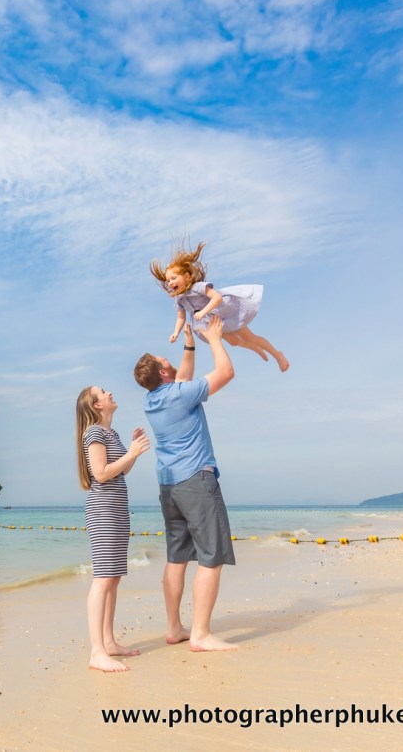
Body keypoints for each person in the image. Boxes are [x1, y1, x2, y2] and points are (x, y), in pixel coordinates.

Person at [133, 317, 237, 652]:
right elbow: (225, 373)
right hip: (196, 480)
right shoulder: (180, 394)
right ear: (164, 373)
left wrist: (190, 344)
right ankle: (201, 634)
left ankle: (175, 627)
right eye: (167, 361)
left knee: (177, 557)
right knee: (212, 555)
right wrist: (216, 339)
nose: (172, 361)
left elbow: (183, 378)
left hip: (169, 486)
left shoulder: (154, 399)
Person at [75, 385, 151, 672]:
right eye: (104, 392)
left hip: (118, 509)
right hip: (103, 509)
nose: (110, 393)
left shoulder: (111, 434)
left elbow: (122, 469)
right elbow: (102, 473)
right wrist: (130, 453)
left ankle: (108, 642)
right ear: (96, 405)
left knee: (115, 577)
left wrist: (133, 452)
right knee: (103, 578)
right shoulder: (93, 433)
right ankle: (96, 652)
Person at [150, 241, 289, 372]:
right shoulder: (179, 299)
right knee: (234, 342)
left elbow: (217, 297)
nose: (170, 283)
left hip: (222, 313)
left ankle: (277, 354)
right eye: (168, 281)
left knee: (250, 337)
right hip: (208, 322)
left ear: (186, 277)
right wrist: (176, 333)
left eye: (173, 278)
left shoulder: (197, 287)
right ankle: (255, 348)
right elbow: (181, 317)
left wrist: (204, 311)